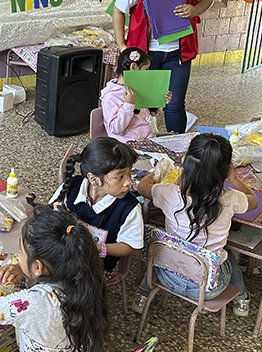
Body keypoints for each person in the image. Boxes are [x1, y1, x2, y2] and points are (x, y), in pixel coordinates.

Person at [133, 133, 258, 316]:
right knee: (229, 254)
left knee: (163, 249)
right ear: (225, 170)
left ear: (185, 161)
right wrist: (233, 179)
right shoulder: (231, 198)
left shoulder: (168, 192)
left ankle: (143, 293)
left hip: (167, 276)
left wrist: (157, 172)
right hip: (207, 289)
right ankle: (242, 299)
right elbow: (253, 201)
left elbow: (142, 187)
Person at [0, 207, 109, 352]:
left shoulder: (33, 302)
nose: (19, 256)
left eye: (21, 252)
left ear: (38, 267)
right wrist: (23, 268)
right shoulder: (86, 275)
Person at [113, 0, 213, 133]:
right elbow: (118, 9)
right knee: (141, 104)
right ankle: (139, 145)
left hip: (179, 53)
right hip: (144, 54)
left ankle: (177, 146)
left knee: (174, 105)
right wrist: (121, 45)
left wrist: (195, 10)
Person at [55, 137, 144, 279]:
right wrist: (56, 213)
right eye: (120, 177)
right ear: (94, 179)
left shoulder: (129, 208)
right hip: (64, 255)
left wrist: (100, 248)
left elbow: (132, 247)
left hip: (97, 268)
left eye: (130, 173)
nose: (128, 182)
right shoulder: (72, 187)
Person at [101, 47, 172, 143]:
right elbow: (115, 129)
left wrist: (160, 100)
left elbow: (148, 114)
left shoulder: (139, 87)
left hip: (147, 139)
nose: (147, 74)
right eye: (146, 69)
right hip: (127, 145)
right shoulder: (111, 96)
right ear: (134, 67)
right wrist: (129, 104)